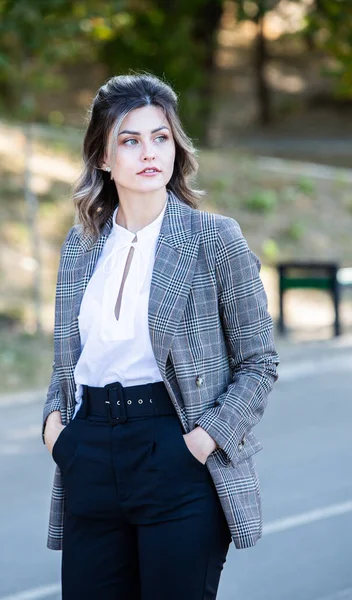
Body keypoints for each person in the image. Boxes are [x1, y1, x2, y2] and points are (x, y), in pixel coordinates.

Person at [42, 72, 280, 600]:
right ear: (103, 158)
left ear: (176, 147)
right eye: (130, 140)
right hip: (90, 456)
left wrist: (203, 440)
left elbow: (259, 363)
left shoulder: (214, 238)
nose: (149, 152)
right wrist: (56, 433)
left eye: (161, 137)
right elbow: (65, 361)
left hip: (176, 455)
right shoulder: (80, 247)